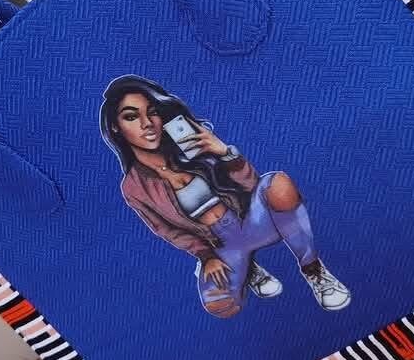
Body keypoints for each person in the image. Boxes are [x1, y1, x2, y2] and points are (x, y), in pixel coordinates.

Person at [100, 75, 351, 319]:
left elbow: (251, 185)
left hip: (251, 221)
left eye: (152, 112)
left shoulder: (189, 143)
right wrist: (206, 256)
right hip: (221, 245)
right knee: (220, 306)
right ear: (115, 126)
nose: (147, 123)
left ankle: (313, 269)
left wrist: (224, 153)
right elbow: (168, 231)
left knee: (279, 185)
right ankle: (249, 269)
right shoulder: (133, 187)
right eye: (131, 116)